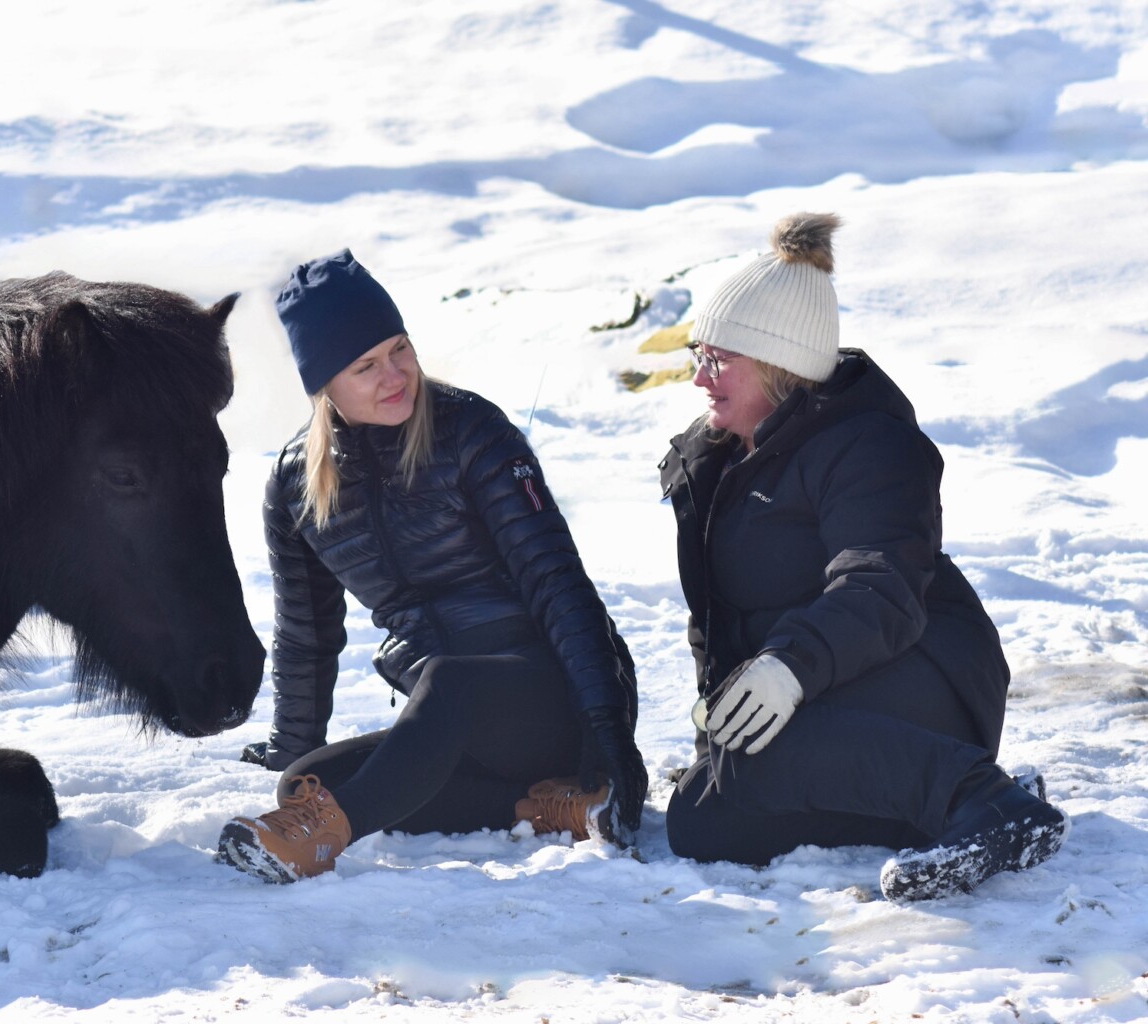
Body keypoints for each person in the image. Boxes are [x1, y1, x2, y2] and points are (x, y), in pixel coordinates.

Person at [659, 213, 1068, 902]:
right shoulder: (711, 459)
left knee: (757, 763)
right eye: (699, 354)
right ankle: (941, 788)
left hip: (922, 667)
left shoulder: (871, 447)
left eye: (719, 359)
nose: (700, 378)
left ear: (777, 361)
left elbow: (879, 584)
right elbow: (717, 615)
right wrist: (718, 724)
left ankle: (987, 801)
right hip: (825, 686)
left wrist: (788, 666)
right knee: (702, 820)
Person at [217, 249, 648, 883]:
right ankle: (555, 809)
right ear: (323, 385)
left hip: (553, 695)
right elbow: (306, 633)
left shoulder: (472, 433)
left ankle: (317, 844)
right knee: (308, 783)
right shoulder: (294, 486)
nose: (394, 375)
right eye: (366, 365)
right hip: (453, 721)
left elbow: (558, 583)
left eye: (400, 349)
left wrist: (604, 723)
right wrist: (294, 748)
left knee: (446, 683)